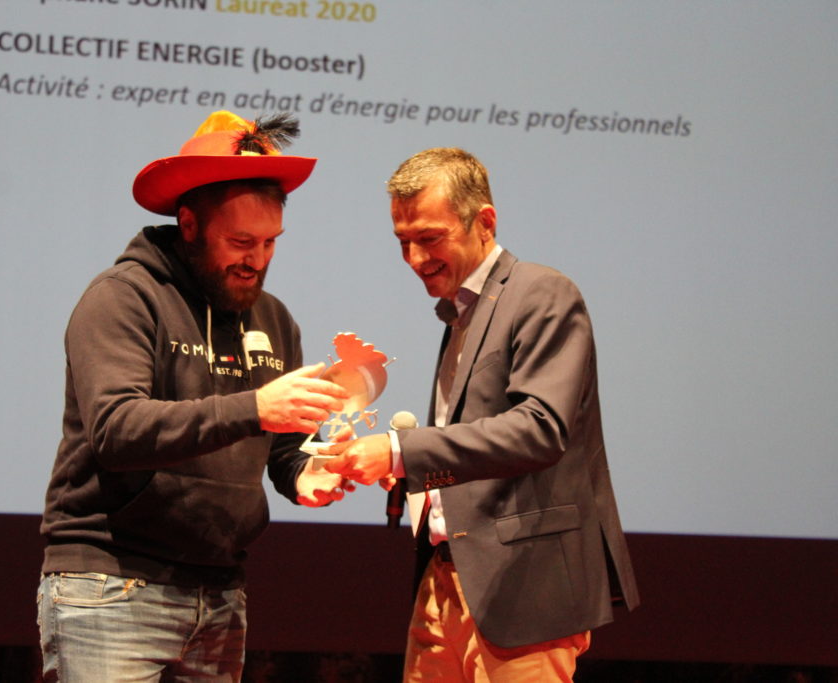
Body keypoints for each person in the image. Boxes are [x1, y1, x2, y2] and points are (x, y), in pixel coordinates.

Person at [37, 110, 353, 682]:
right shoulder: (123, 298)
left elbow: (282, 450)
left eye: (270, 243)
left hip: (220, 594)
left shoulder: (274, 319)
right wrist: (256, 407)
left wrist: (310, 474)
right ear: (188, 225)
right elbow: (116, 430)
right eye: (240, 242)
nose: (257, 260)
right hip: (110, 585)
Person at [322, 147, 640, 681]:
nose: (414, 258)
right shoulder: (462, 313)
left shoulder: (542, 293)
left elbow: (540, 428)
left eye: (429, 237)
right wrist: (406, 472)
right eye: (402, 241)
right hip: (444, 581)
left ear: (485, 222)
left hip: (524, 589)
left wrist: (401, 452)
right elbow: (473, 442)